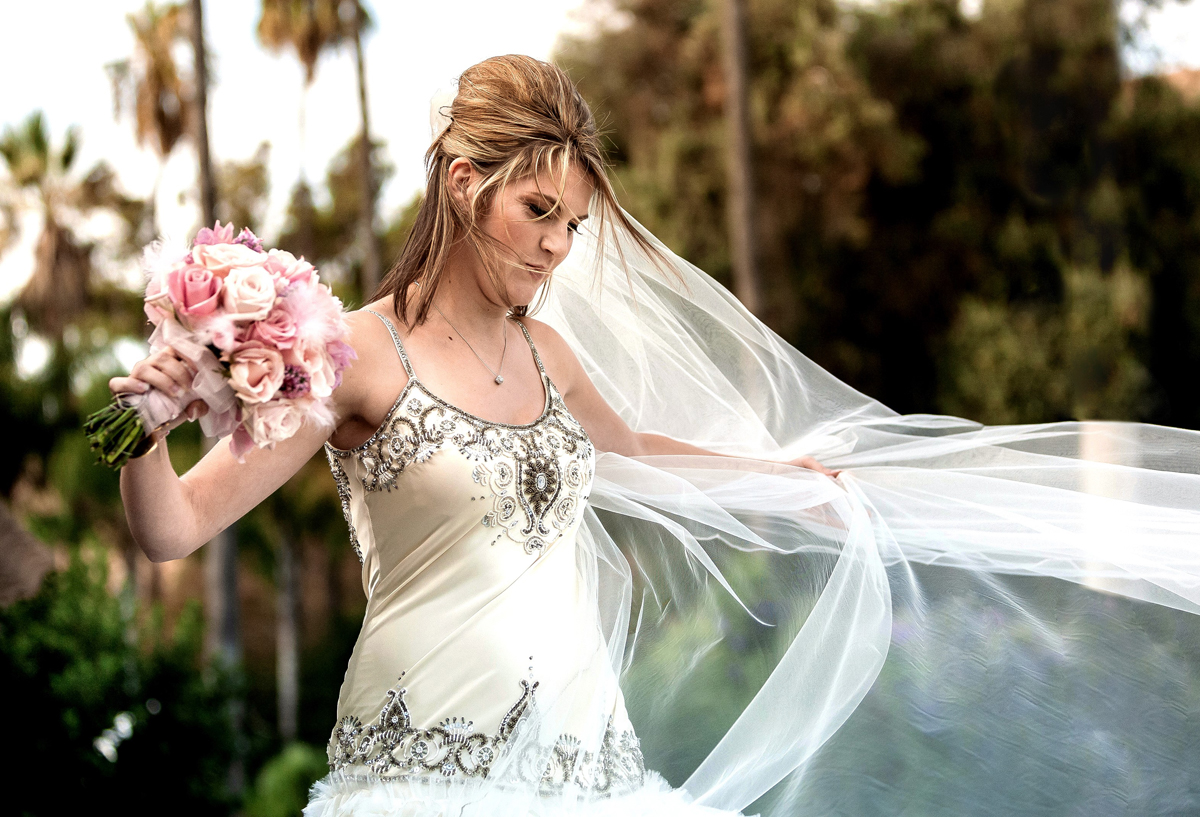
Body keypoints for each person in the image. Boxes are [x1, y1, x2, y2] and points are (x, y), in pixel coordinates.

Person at [112, 55, 1200, 817]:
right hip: (418, 772)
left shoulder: (550, 359)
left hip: (591, 770)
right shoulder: (355, 352)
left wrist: (784, 476)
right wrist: (145, 428)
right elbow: (175, 527)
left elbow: (635, 452)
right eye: (539, 212)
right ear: (464, 183)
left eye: (574, 225)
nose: (558, 247)